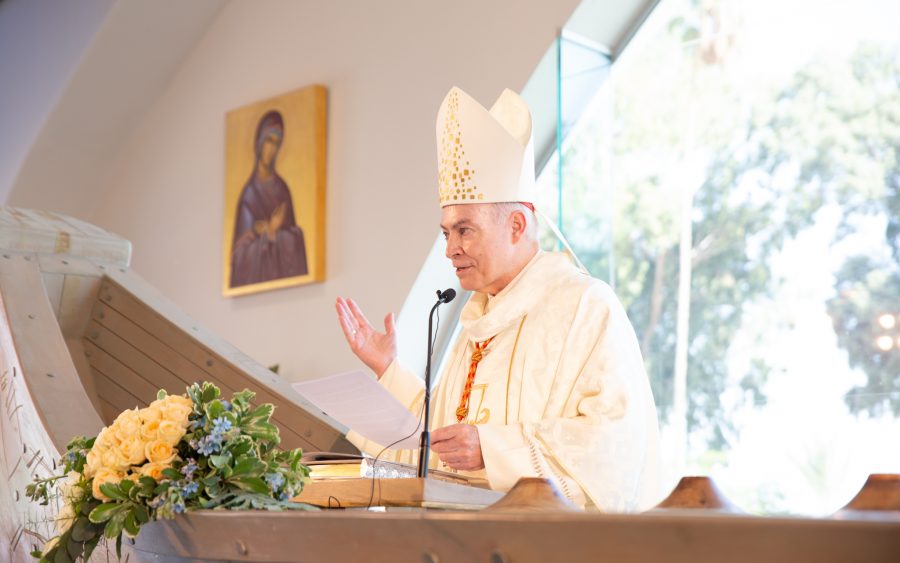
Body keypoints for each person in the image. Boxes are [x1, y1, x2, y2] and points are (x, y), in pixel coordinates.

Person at [335, 87, 660, 511]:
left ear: (517, 225)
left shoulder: (585, 308)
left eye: (464, 229)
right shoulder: (478, 324)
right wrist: (388, 371)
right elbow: (435, 444)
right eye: (446, 232)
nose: (449, 248)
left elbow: (614, 446)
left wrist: (493, 450)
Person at [230, 110, 308, 288]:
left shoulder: (282, 190)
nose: (272, 149)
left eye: (277, 143)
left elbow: (296, 240)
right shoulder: (249, 195)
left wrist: (274, 233)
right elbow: (239, 255)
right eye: (269, 141)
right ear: (259, 142)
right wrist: (260, 232)